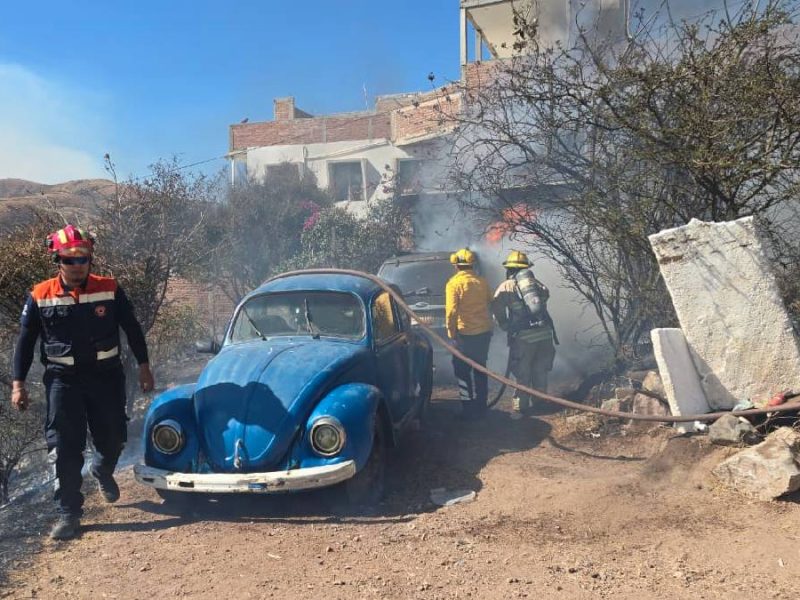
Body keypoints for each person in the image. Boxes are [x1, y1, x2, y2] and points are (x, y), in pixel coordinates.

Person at [10, 225, 154, 541]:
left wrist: (144, 367)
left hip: (106, 378)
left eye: (82, 259)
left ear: (90, 259)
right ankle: (69, 514)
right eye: (69, 260)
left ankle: (102, 469)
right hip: (63, 381)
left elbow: (132, 328)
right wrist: (17, 384)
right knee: (64, 448)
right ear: (57, 260)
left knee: (114, 437)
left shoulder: (110, 288)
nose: (77, 266)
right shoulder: (40, 295)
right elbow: (25, 341)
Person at [492, 250, 557, 415]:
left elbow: (496, 308)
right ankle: (540, 403)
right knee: (540, 370)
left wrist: (505, 325)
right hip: (544, 335)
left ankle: (521, 408)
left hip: (524, 339)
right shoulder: (537, 284)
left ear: (510, 269)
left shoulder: (506, 286)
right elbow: (545, 297)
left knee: (523, 373)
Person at [445, 248, 493, 418]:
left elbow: (451, 312)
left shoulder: (453, 284)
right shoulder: (482, 282)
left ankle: (468, 407)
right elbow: (490, 303)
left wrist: (451, 335)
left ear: (456, 265)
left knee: (462, 371)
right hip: (483, 333)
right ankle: (482, 405)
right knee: (481, 369)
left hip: (464, 335)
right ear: (472, 264)